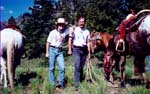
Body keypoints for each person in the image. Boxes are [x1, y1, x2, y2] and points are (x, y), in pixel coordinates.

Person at [68, 17, 91, 91]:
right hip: (76, 49)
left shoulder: (87, 31)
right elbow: (70, 39)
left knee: (81, 66)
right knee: (77, 65)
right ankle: (76, 85)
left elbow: (88, 42)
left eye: (83, 22)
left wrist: (89, 52)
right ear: (78, 22)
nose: (81, 23)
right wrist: (69, 49)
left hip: (84, 50)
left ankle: (80, 80)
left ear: (84, 22)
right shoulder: (74, 29)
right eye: (80, 22)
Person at [45, 17, 68, 89]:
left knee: (62, 68)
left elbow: (72, 29)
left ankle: (60, 84)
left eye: (63, 24)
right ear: (57, 25)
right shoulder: (52, 32)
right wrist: (47, 53)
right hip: (52, 49)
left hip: (60, 51)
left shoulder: (65, 32)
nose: (61, 26)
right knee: (51, 68)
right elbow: (48, 43)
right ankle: (52, 84)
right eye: (60, 24)